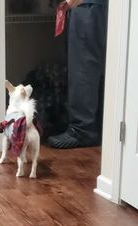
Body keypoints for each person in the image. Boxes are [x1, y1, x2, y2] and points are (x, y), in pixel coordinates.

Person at [48, 0, 108, 148]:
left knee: (83, 67)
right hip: (90, 7)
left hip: (88, 6)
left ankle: (83, 130)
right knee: (86, 64)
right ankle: (91, 126)